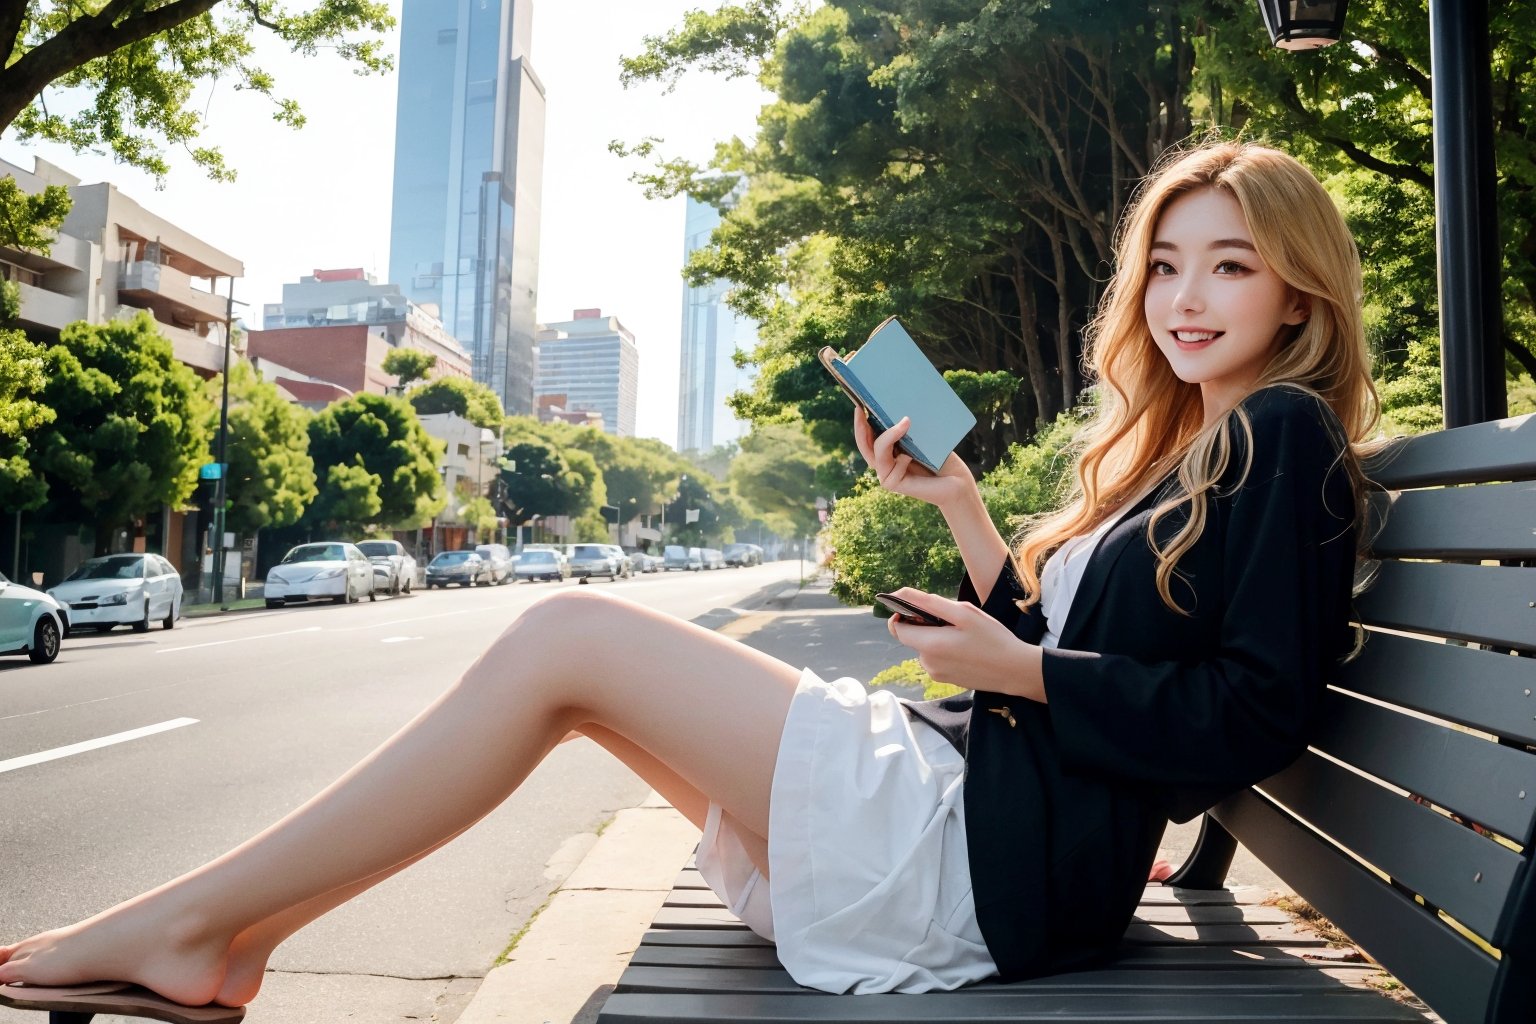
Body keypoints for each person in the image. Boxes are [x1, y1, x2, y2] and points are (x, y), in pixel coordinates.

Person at [0, 140, 1380, 1019]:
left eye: (1230, 266)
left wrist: (1020, 670)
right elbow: (1083, 664)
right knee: (578, 684)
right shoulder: (1188, 445)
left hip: (984, 866)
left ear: (1299, 294)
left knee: (565, 636)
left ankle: (190, 924)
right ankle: (228, 938)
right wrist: (963, 509)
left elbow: (1254, 717)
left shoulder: (1282, 433)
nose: (1184, 298)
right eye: (1166, 267)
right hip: (979, 815)